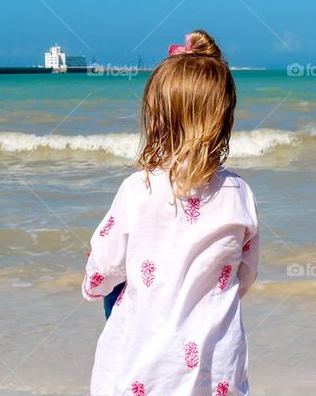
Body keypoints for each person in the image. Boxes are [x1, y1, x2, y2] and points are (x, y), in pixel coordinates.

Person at [82, 30, 260, 396]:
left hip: (145, 368)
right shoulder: (239, 193)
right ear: (224, 121)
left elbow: (103, 267)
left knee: (119, 291)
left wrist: (93, 281)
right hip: (216, 367)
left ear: (157, 120)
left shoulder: (138, 189)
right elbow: (246, 275)